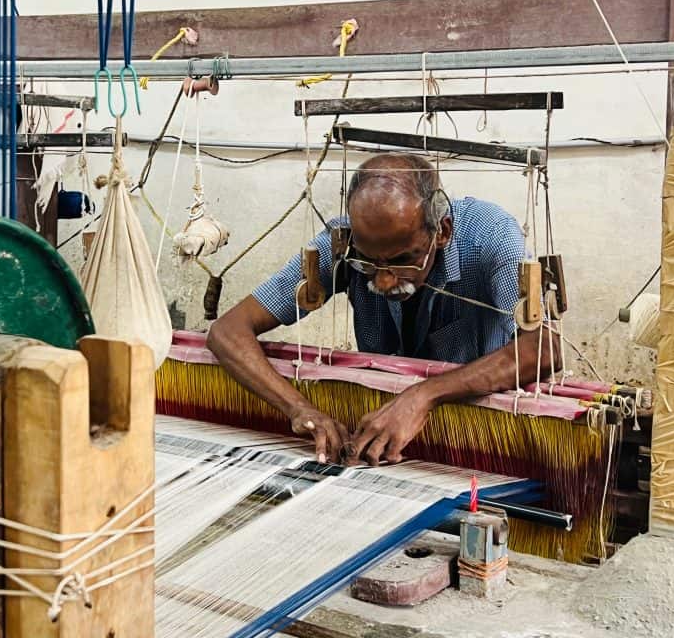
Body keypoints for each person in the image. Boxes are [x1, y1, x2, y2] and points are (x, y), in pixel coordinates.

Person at [207, 152, 560, 466]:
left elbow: (543, 348)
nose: (386, 282)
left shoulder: (489, 236)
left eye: (403, 261)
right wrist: (298, 408)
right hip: (379, 438)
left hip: (478, 442)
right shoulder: (342, 243)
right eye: (369, 264)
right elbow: (228, 332)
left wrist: (423, 396)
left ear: (442, 232)